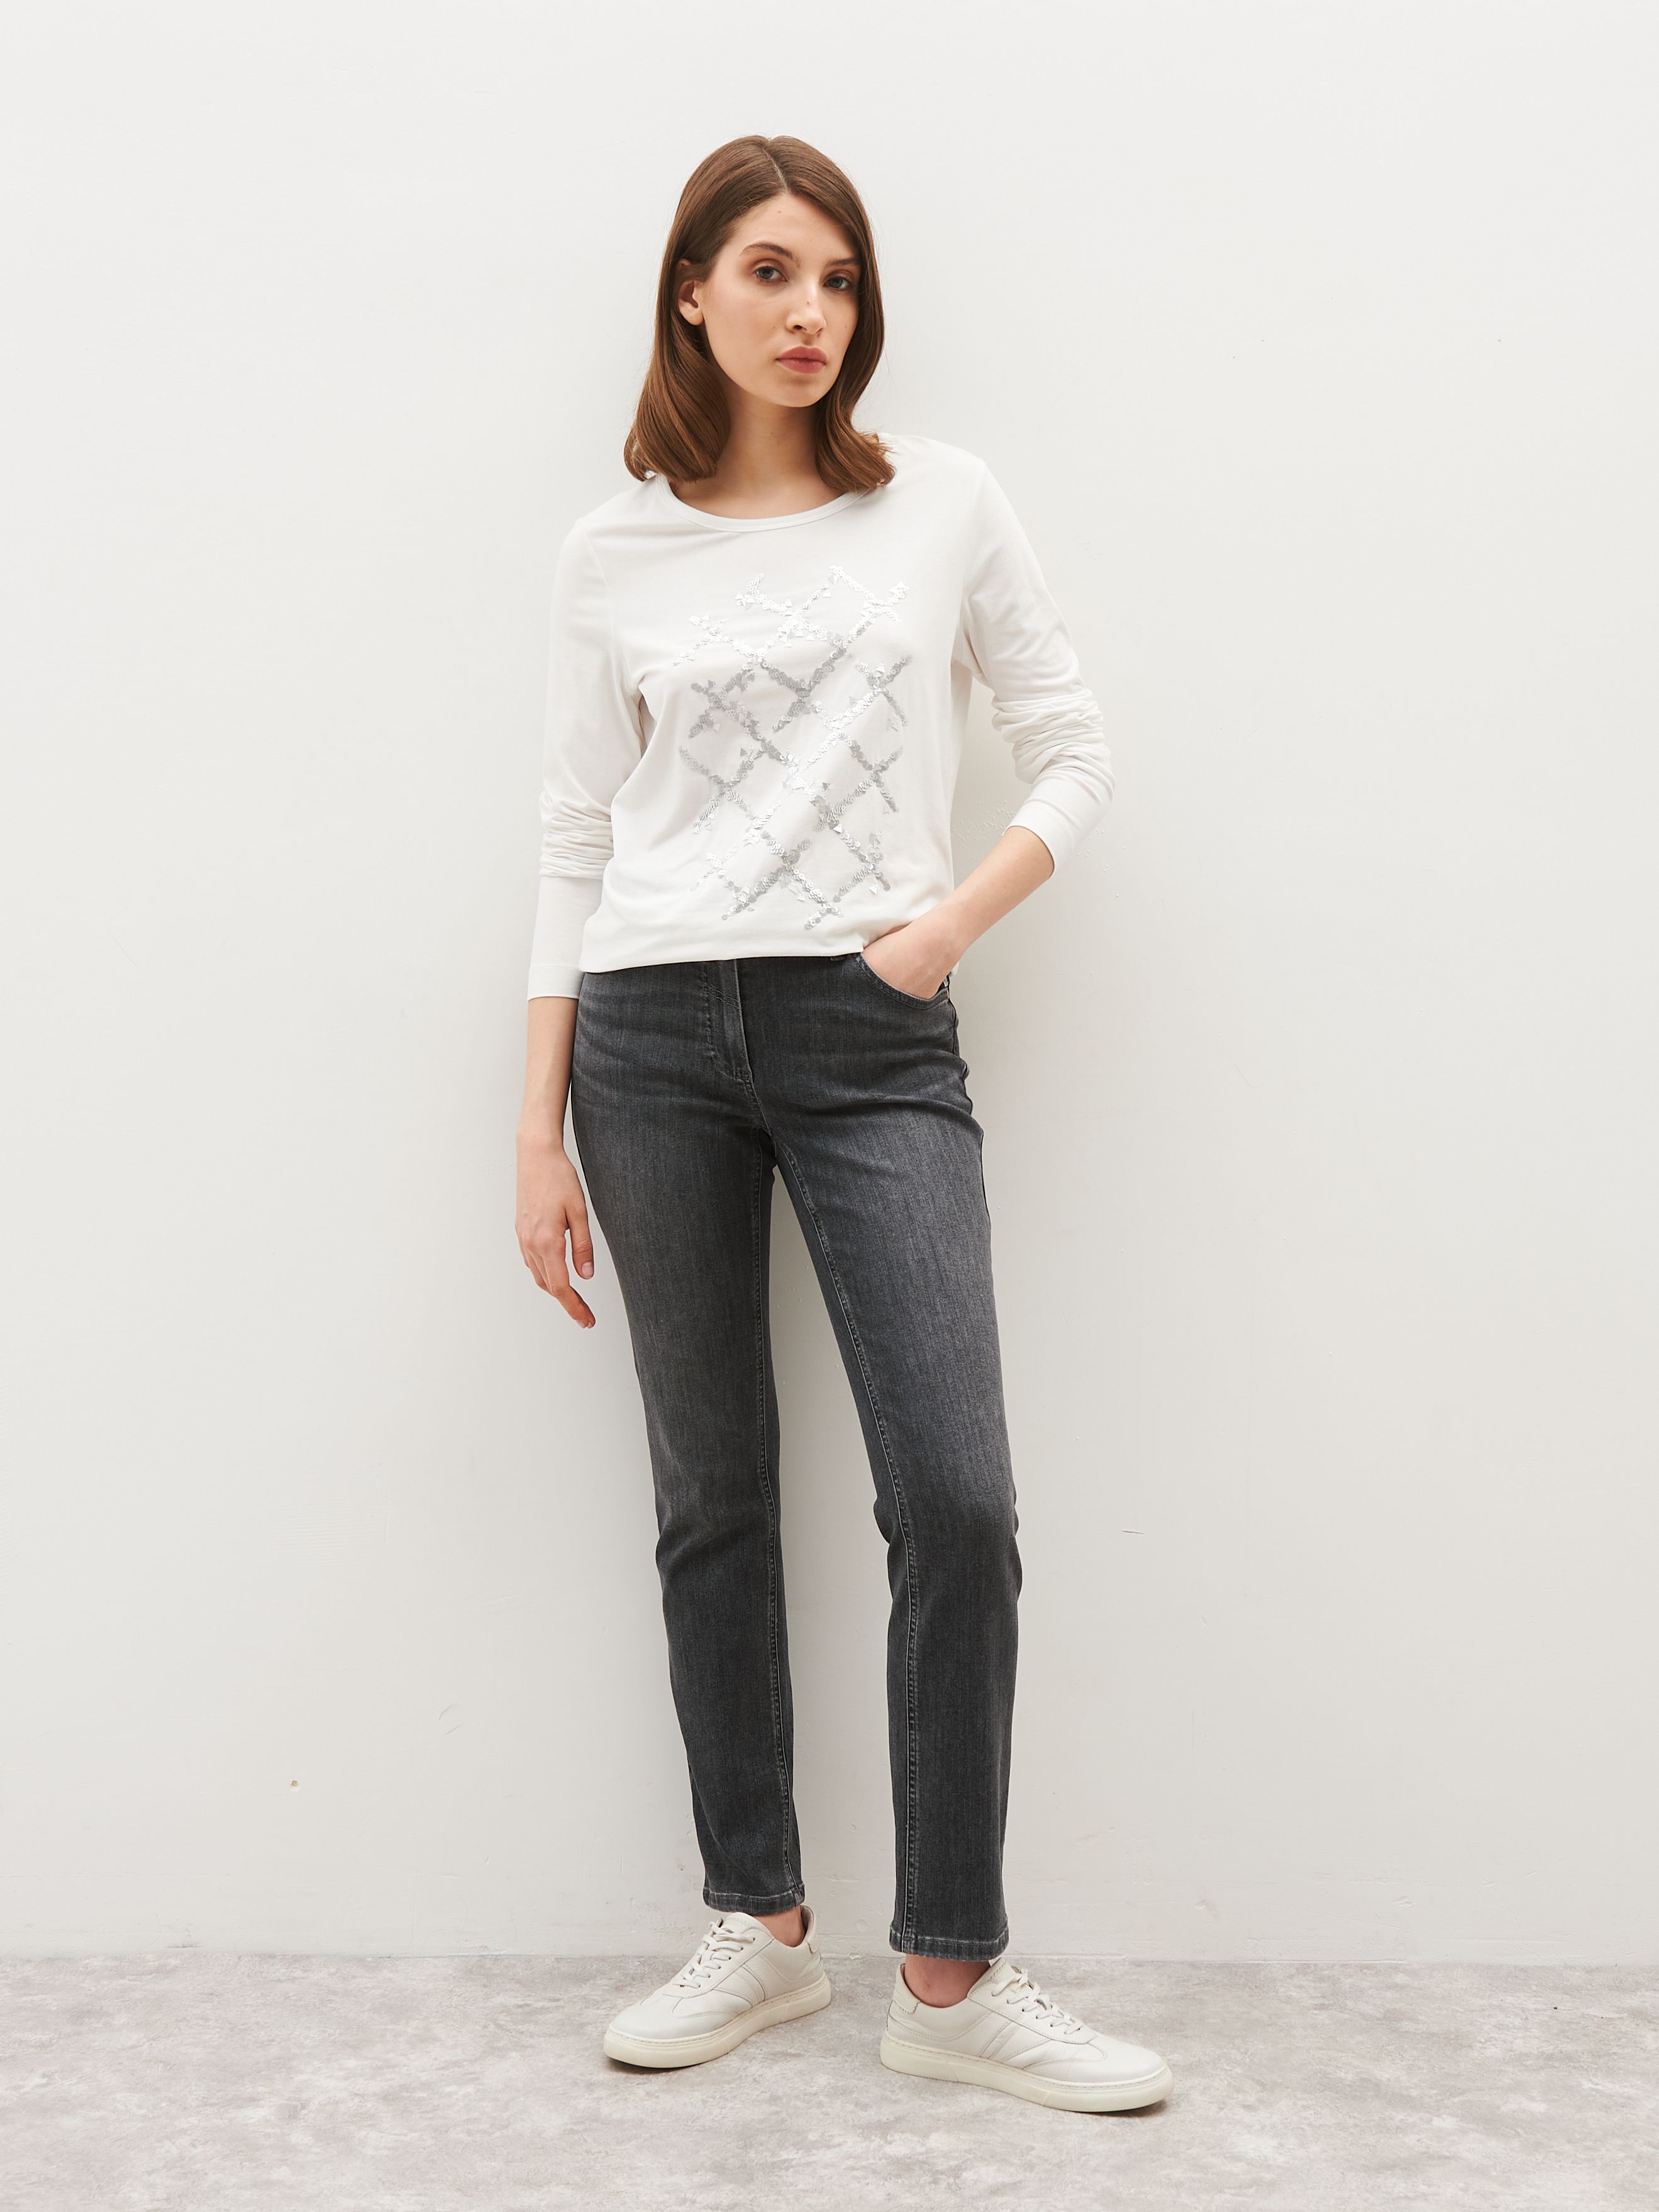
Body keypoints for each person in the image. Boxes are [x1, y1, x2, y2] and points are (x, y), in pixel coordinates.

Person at [514, 133, 1171, 2115]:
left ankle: (952, 1977)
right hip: (646, 1034)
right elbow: (572, 833)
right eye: (772, 274)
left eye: (840, 281)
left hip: (873, 1034)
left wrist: (941, 932)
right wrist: (535, 1126)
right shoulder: (610, 552)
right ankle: (759, 1923)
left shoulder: (938, 503)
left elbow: (1073, 748)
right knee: (711, 1494)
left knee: (954, 1497)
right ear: (692, 294)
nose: (812, 314)